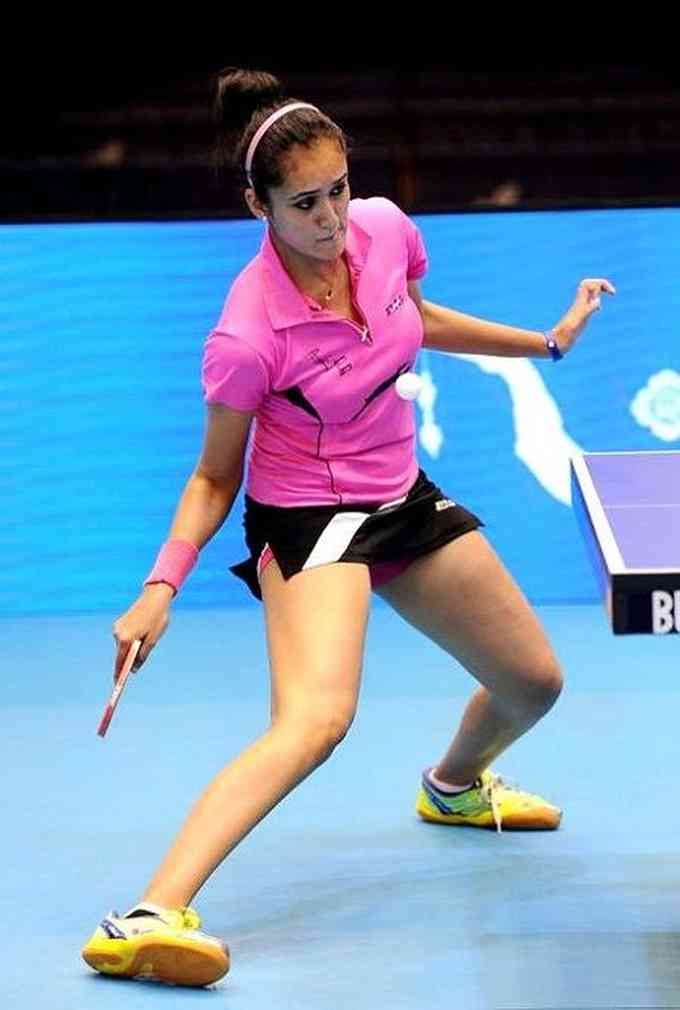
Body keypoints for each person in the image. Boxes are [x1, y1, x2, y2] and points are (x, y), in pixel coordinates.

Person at [81, 68, 615, 988]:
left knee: (534, 684)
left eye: (338, 189)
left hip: (399, 494)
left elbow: (418, 318)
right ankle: (147, 915)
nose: (330, 218)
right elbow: (214, 475)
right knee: (317, 720)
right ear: (258, 206)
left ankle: (452, 787)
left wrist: (546, 342)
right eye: (304, 203)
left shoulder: (385, 228)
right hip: (309, 520)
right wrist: (159, 587)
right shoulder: (247, 334)